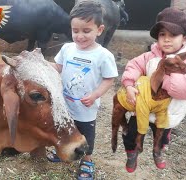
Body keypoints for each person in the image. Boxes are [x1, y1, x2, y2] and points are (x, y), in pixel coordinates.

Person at [47, 1, 118, 179]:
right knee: (63, 129)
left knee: (86, 135)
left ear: (99, 30)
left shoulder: (103, 56)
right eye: (75, 31)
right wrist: (43, 64)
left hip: (86, 107)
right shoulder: (67, 48)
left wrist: (95, 95)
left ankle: (87, 160)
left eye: (86, 31)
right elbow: (58, 66)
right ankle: (62, 151)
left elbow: (109, 79)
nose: (79, 36)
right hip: (64, 103)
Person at [121, 7, 186, 173]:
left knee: (160, 137)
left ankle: (158, 152)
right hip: (144, 107)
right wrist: (128, 85)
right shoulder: (151, 55)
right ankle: (132, 153)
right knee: (131, 134)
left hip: (168, 111)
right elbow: (134, 65)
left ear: (184, 38)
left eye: (173, 35)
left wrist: (163, 78)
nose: (166, 40)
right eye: (162, 34)